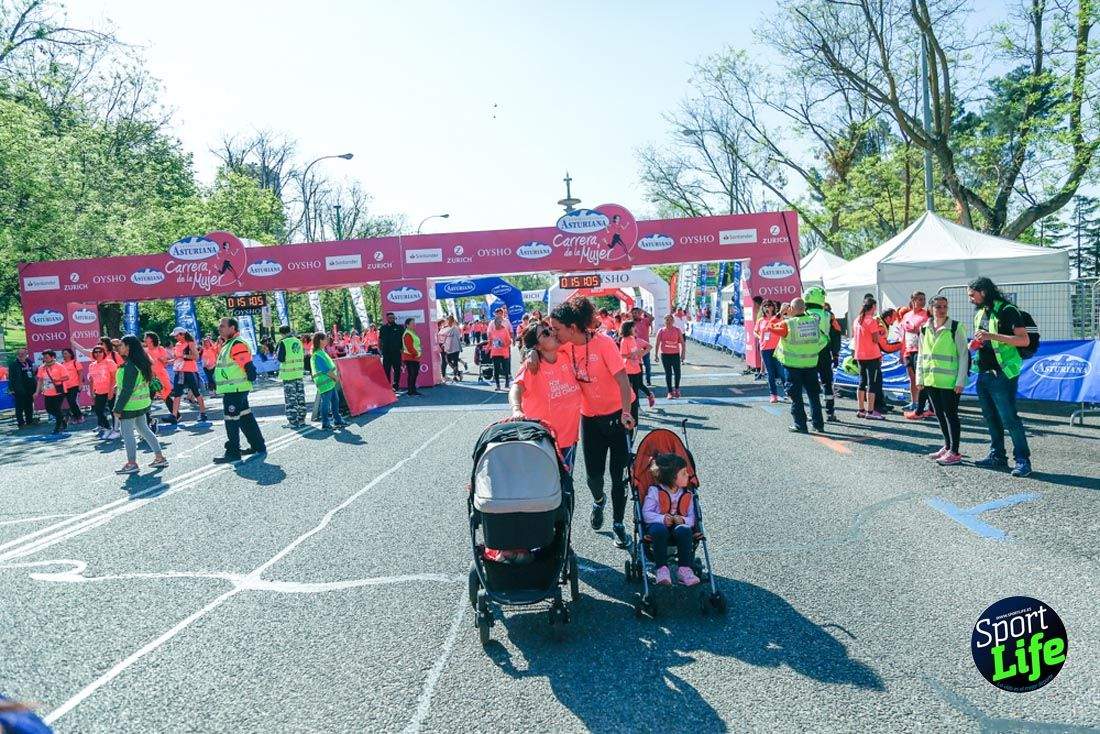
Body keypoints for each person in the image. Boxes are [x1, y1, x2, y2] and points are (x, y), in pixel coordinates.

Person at [531, 297, 636, 549]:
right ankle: (598, 500)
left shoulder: (605, 344)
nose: (554, 333)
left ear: (573, 328)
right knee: (593, 477)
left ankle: (619, 524)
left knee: (618, 474)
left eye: (557, 328)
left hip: (621, 414)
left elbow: (623, 381)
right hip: (590, 418)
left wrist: (625, 413)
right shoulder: (565, 347)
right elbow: (542, 349)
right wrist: (531, 352)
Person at [968, 277, 1033, 477]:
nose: (970, 299)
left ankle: (1023, 460)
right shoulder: (980, 312)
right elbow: (984, 340)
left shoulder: (1007, 310)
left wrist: (991, 336)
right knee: (990, 417)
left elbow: (1024, 340)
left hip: (1003, 374)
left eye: (972, 294)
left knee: (1009, 418)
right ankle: (997, 455)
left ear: (984, 292)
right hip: (984, 373)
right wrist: (976, 344)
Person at [509, 322, 583, 471]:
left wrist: (531, 351)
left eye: (550, 329)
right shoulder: (532, 366)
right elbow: (516, 388)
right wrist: (517, 409)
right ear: (537, 346)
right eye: (546, 333)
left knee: (565, 485)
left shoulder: (565, 355)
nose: (552, 332)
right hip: (543, 440)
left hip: (569, 438)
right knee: (547, 487)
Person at [916, 296, 969, 466]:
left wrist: (961, 381)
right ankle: (947, 446)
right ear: (931, 309)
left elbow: (963, 355)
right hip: (931, 380)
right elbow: (921, 355)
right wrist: (920, 377)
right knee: (939, 414)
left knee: (951, 415)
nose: (942, 309)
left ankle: (954, 451)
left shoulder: (955, 327)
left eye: (945, 306)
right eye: (938, 306)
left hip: (950, 381)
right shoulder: (924, 328)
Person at [212, 317, 266, 463]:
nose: (220, 328)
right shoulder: (229, 344)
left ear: (233, 328)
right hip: (236, 389)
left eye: (222, 326)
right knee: (245, 417)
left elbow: (248, 366)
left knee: (231, 420)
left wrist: (250, 376)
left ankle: (233, 453)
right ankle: (258, 445)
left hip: (234, 390)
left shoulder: (236, 344)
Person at [642, 452, 700, 587]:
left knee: (685, 530)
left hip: (678, 527)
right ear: (673, 478)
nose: (688, 475)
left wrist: (683, 520)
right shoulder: (655, 491)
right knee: (658, 530)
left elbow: (692, 519)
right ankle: (662, 569)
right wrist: (662, 518)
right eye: (684, 473)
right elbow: (646, 513)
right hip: (658, 526)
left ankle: (684, 570)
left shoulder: (687, 494)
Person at [112, 335, 168, 474]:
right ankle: (159, 457)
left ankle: (132, 463)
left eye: (122, 345)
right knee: (144, 430)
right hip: (142, 403)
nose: (120, 348)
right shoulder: (142, 362)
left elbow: (127, 390)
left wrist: (117, 409)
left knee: (128, 434)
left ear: (128, 347)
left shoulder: (130, 366)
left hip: (129, 406)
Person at [769, 299, 825, 434]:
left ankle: (800, 424)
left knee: (796, 396)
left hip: (792, 366)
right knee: (813, 396)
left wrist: (780, 313)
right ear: (804, 308)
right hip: (811, 364)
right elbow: (824, 340)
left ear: (791, 309)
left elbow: (769, 327)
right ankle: (818, 425)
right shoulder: (814, 321)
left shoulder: (788, 324)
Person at [802, 287, 840, 422]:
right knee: (827, 383)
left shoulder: (802, 314)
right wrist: (835, 354)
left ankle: (813, 413)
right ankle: (830, 413)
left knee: (810, 384)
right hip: (824, 352)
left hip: (808, 353)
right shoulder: (829, 315)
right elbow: (836, 334)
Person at [852, 297, 888, 420]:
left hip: (860, 355)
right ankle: (871, 411)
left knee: (861, 382)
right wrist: (880, 332)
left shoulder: (857, 319)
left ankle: (861, 409)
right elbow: (875, 339)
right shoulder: (871, 321)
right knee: (872, 383)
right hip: (872, 355)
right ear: (873, 307)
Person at [900, 292, 934, 420]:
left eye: (923, 299)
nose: (922, 302)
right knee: (912, 377)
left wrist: (916, 329)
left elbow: (927, 330)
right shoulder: (907, 315)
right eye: (919, 299)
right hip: (909, 349)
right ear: (913, 300)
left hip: (921, 350)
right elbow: (904, 333)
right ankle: (914, 402)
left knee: (921, 378)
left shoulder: (926, 314)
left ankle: (924, 404)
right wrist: (901, 350)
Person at [620, 320, 656, 429]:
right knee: (631, 395)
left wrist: (640, 354)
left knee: (635, 394)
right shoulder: (624, 340)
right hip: (628, 370)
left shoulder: (633, 339)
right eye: (633, 327)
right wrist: (632, 355)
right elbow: (623, 355)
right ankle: (631, 417)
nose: (635, 329)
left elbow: (642, 350)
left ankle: (635, 419)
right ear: (628, 329)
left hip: (637, 369)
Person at [169, 328, 207, 422]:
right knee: (177, 393)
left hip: (190, 371)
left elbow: (196, 357)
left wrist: (184, 356)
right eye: (175, 336)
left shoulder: (190, 343)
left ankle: (203, 413)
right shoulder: (177, 345)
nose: (176, 337)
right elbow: (177, 357)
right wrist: (170, 361)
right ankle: (174, 416)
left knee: (196, 392)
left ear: (182, 334)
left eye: (177, 335)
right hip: (179, 371)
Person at [311, 333, 348, 431]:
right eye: (325, 339)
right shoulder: (317, 354)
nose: (327, 340)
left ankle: (337, 420)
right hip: (325, 382)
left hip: (328, 382)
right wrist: (336, 377)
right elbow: (326, 370)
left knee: (335, 401)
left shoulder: (321, 352)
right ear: (320, 341)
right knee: (326, 403)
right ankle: (325, 423)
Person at [754, 300, 786, 403]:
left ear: (773, 307)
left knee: (781, 371)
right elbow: (755, 331)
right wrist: (760, 337)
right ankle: (773, 395)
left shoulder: (777, 318)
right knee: (770, 372)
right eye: (765, 306)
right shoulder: (760, 320)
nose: (767, 307)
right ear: (762, 308)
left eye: (769, 305)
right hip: (765, 348)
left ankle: (789, 393)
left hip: (777, 348)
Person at [276, 325, 307, 429]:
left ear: (282, 333)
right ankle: (302, 419)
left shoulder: (283, 342)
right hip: (298, 373)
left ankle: (293, 421)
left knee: (291, 399)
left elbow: (280, 358)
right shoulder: (298, 341)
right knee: (300, 397)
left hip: (289, 374)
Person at [87, 345, 119, 440]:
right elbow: (91, 380)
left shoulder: (109, 362)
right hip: (99, 391)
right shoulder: (92, 365)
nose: (98, 354)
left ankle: (116, 430)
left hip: (110, 390)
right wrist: (92, 391)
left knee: (114, 411)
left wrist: (111, 390)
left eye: (100, 352)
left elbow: (114, 377)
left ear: (104, 353)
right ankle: (107, 428)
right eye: (95, 352)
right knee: (98, 410)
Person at [34, 350, 69, 433]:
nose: (45, 359)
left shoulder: (59, 366)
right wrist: (36, 392)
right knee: (49, 409)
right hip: (47, 392)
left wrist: (58, 379)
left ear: (52, 357)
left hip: (59, 391)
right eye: (44, 357)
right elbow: (40, 380)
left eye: (47, 357)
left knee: (57, 408)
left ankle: (58, 427)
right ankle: (63, 418)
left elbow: (67, 377)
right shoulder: (42, 367)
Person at [144, 332, 173, 423]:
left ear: (151, 339)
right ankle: (147, 417)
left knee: (165, 396)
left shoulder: (160, 349)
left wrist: (162, 359)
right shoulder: (145, 350)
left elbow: (165, 362)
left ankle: (176, 415)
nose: (144, 339)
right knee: (149, 397)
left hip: (161, 375)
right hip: (150, 376)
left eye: (146, 337)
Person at [655, 314, 685, 398]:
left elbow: (682, 343)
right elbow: (657, 343)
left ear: (673, 321)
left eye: (670, 320)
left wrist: (683, 353)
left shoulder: (677, 330)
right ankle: (670, 392)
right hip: (665, 355)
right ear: (664, 321)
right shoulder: (661, 331)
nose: (669, 321)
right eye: (667, 320)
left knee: (677, 372)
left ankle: (677, 389)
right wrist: (656, 355)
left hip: (675, 354)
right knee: (668, 373)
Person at [6, 348, 37, 429]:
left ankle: (29, 421)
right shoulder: (13, 364)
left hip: (30, 389)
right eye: (19, 354)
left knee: (29, 406)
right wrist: (11, 389)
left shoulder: (29, 363)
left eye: (23, 354)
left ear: (26, 355)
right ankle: (21, 423)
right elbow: (11, 378)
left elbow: (34, 373)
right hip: (19, 389)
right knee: (19, 407)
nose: (21, 355)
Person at [487, 310, 512, 392]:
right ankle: (498, 385)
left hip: (504, 353)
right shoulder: (493, 331)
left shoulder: (504, 330)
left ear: (500, 323)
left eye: (498, 323)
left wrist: (503, 344)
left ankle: (507, 382)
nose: (496, 325)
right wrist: (487, 348)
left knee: (505, 369)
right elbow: (490, 341)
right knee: (496, 369)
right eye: (495, 323)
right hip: (495, 353)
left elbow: (509, 342)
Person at [379, 312, 405, 391]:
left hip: (396, 352)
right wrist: (380, 349)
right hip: (386, 353)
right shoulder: (383, 328)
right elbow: (380, 339)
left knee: (397, 370)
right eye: (390, 318)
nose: (392, 319)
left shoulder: (400, 327)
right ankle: (387, 387)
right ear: (387, 318)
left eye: (393, 318)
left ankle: (395, 386)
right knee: (386, 370)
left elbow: (403, 339)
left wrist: (402, 349)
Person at [630, 307, 654, 386]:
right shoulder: (630, 323)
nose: (635, 314)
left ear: (639, 313)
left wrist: (644, 311)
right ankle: (639, 381)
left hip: (645, 345)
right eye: (633, 313)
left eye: (636, 313)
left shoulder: (645, 320)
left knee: (647, 363)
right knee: (636, 364)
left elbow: (652, 318)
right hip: (634, 346)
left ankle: (648, 380)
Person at [59, 348, 85, 423]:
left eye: (65, 353)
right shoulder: (62, 364)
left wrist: (80, 384)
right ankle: (75, 417)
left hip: (74, 385)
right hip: (65, 387)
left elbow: (80, 374)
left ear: (70, 354)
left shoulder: (75, 362)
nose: (64, 355)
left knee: (72, 401)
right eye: (63, 353)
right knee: (70, 402)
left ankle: (79, 416)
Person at [401, 317, 423, 396]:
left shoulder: (412, 332)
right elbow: (409, 347)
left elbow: (415, 344)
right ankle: (411, 391)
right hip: (410, 357)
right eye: (412, 323)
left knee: (414, 374)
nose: (414, 324)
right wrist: (416, 354)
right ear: (407, 325)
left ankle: (412, 390)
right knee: (412, 374)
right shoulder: (407, 333)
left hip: (413, 357)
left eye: (414, 323)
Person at [439, 315, 464, 381]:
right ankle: (456, 375)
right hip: (455, 347)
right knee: (454, 361)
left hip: (449, 347)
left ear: (448, 321)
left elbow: (441, 336)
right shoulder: (455, 328)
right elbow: (459, 337)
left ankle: (456, 372)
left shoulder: (446, 328)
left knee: (449, 361)